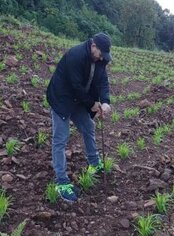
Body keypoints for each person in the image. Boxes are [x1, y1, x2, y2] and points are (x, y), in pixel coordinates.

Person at [46, 32, 112, 202]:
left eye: (104, 56)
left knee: (89, 126)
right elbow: (75, 86)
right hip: (62, 98)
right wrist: (92, 104)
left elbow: (103, 80)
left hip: (78, 99)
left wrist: (105, 102)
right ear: (93, 46)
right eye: (100, 54)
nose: (101, 58)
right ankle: (62, 182)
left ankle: (94, 163)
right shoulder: (75, 55)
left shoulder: (100, 59)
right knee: (61, 138)